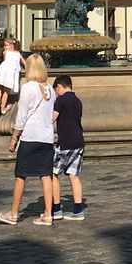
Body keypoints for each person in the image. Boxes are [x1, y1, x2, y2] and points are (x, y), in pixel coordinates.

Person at [0, 54, 55, 226]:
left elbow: (22, 116)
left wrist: (14, 137)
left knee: (20, 175)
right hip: (46, 137)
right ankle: (48, 214)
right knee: (46, 176)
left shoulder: (28, 87)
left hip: (30, 136)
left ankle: (14, 213)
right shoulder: (51, 89)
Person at [50, 74, 86, 221]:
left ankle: (56, 208)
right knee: (73, 175)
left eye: (55, 89)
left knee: (52, 173)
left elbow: (51, 118)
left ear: (59, 86)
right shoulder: (78, 101)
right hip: (79, 141)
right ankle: (78, 210)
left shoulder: (61, 100)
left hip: (65, 143)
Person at [0, 37, 22, 116]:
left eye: (5, 45)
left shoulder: (5, 52)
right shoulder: (18, 54)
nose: (4, 47)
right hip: (11, 72)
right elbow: (23, 61)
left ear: (11, 46)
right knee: (6, 91)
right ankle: (3, 109)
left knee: (1, 85)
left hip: (2, 69)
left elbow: (5, 60)